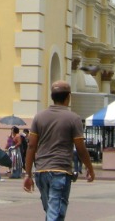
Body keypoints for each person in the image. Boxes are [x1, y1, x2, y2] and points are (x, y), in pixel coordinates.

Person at [22, 81, 94, 221]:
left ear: (52, 96)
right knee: (55, 214)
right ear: (68, 97)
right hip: (60, 171)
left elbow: (31, 146)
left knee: (51, 211)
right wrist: (90, 168)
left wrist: (28, 174)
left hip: (41, 172)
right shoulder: (74, 118)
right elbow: (80, 148)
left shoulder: (39, 117)